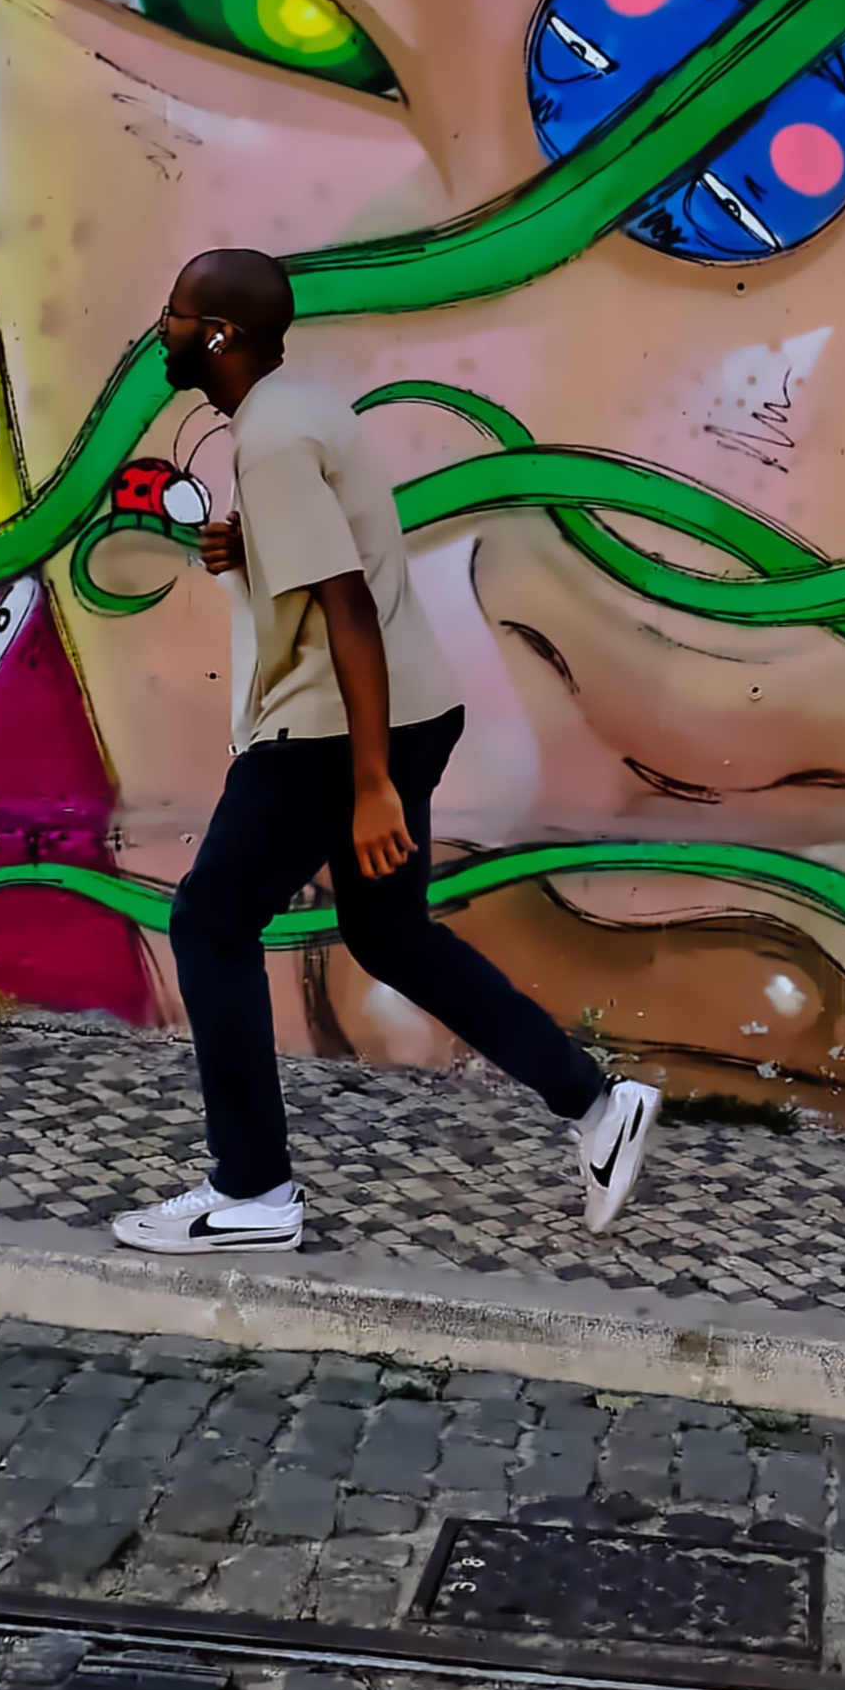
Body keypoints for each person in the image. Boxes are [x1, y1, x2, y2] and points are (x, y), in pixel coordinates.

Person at [114, 244, 664, 1254]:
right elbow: (343, 549)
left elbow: (350, 609)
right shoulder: (303, 410)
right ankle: (595, 1105)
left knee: (209, 922)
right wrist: (251, 551)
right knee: (391, 934)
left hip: (335, 726)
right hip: (407, 708)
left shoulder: (272, 442)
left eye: (178, 312)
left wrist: (369, 785)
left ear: (221, 336)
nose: (165, 326)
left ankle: (252, 1193)